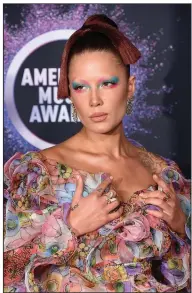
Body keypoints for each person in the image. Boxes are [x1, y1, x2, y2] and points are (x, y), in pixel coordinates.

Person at [4, 14, 190, 293]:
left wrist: (180, 226)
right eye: (81, 87)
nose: (94, 100)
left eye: (107, 83)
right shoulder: (39, 173)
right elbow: (8, 271)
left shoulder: (164, 174)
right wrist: (71, 227)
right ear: (71, 95)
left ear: (130, 87)